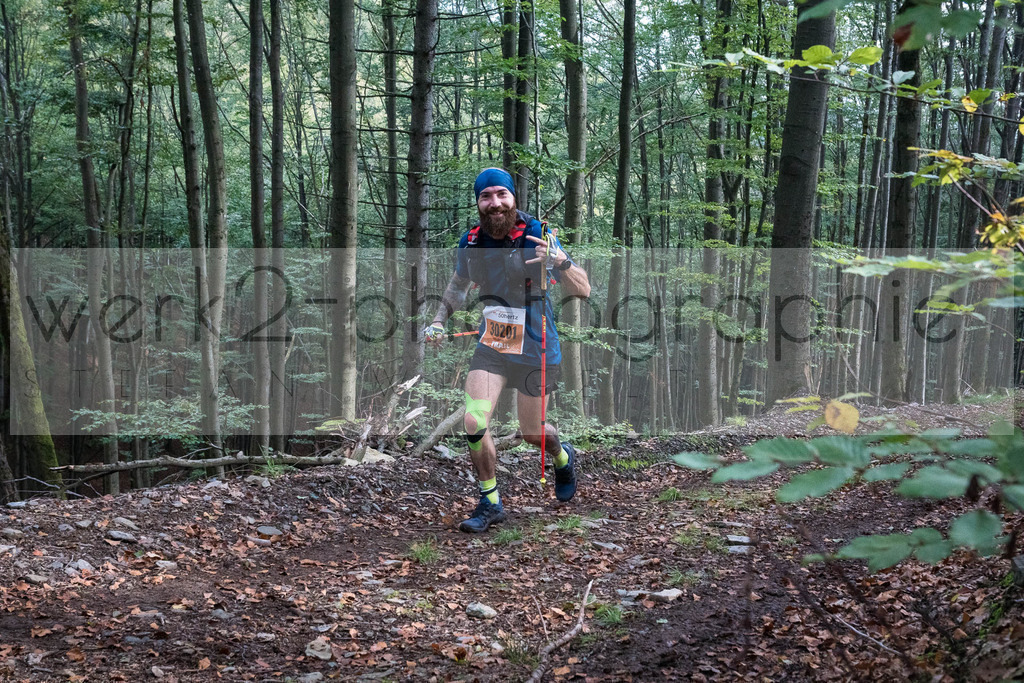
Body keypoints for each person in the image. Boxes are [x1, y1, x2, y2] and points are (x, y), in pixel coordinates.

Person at [424, 168, 591, 532]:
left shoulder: (537, 235)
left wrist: (559, 261)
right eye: (486, 197)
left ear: (513, 198)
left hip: (536, 348)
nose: (495, 203)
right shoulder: (471, 242)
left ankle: (562, 456)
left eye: (501, 194)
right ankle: (491, 502)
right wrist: (438, 320)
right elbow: (458, 286)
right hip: (494, 346)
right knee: (474, 421)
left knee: (532, 434)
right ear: (478, 203)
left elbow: (583, 289)